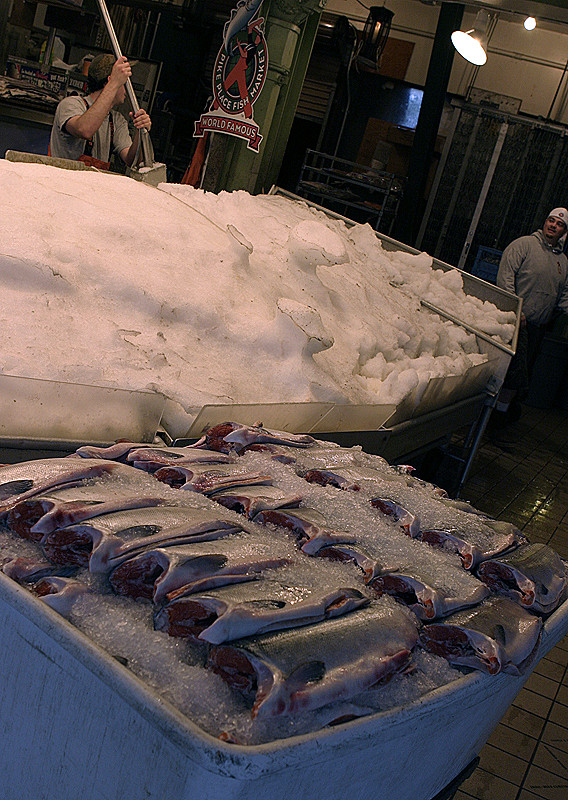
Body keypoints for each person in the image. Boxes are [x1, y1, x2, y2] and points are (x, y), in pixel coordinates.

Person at [490, 207, 568, 439]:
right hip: (516, 323)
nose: (553, 225)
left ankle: (500, 417)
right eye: (550, 221)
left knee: (521, 377)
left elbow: (563, 295)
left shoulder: (562, 261)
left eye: (559, 224)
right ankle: (493, 420)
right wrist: (517, 308)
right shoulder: (524, 245)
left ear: (564, 231)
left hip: (537, 328)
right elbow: (505, 277)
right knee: (511, 375)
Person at [49, 54, 152, 170]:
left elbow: (131, 160)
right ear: (109, 81)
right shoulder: (71, 104)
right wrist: (114, 83)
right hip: (62, 184)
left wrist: (141, 131)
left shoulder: (116, 120)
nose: (127, 90)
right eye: (124, 82)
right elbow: (84, 130)